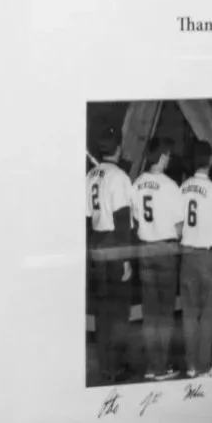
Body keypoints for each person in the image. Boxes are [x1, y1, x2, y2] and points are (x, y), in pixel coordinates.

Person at [129, 139, 184, 378]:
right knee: (165, 311)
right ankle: (163, 366)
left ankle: (153, 365)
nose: (169, 159)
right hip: (165, 251)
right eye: (167, 155)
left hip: (145, 249)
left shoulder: (137, 183)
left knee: (150, 311)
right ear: (161, 157)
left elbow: (135, 219)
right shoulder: (170, 185)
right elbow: (180, 226)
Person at [176, 145, 212, 375]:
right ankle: (205, 365)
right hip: (209, 256)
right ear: (209, 161)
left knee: (189, 313)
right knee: (208, 313)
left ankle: (190, 366)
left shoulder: (182, 188)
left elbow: (177, 226)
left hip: (188, 255)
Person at [85, 144, 137, 380]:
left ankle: (105, 365)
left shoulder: (91, 175)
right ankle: (118, 366)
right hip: (114, 244)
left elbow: (86, 217)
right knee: (118, 311)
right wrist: (126, 258)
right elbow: (123, 220)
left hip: (96, 243)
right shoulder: (119, 177)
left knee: (102, 311)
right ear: (117, 149)